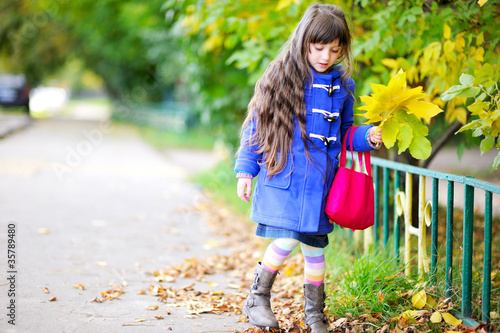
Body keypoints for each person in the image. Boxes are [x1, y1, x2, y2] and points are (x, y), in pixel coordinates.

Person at [234, 3, 383, 333]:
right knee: (286, 241)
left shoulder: (344, 85)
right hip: (284, 176)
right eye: (318, 48)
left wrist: (368, 136)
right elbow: (257, 126)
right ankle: (257, 297)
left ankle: (315, 314)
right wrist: (246, 170)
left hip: (321, 184)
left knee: (315, 249)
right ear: (303, 42)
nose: (325, 56)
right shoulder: (282, 76)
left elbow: (345, 132)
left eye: (334, 49)